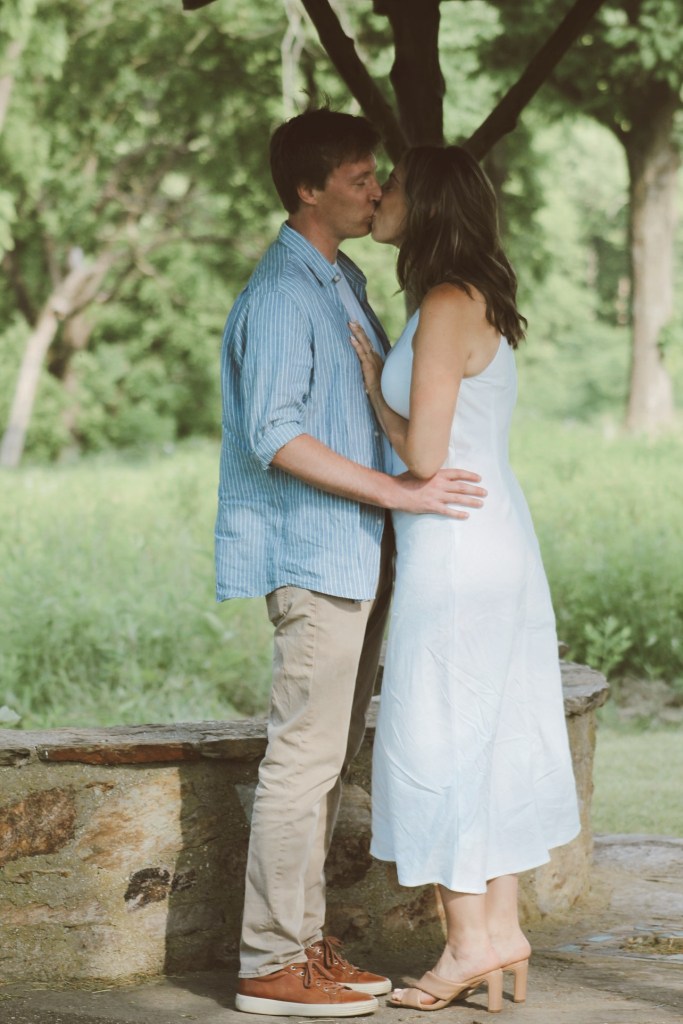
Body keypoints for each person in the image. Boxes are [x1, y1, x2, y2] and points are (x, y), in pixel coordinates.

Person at [214, 111, 487, 1018]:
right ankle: (269, 961)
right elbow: (275, 434)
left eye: (377, 178)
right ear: (309, 189)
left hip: (356, 556)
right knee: (302, 761)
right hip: (315, 554)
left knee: (325, 762)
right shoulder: (282, 295)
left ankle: (302, 946)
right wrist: (400, 492)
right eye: (361, 178)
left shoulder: (341, 279)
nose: (376, 191)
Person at [349, 145, 581, 1013]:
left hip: (456, 544)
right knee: (487, 733)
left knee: (439, 734)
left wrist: (375, 391)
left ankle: (464, 946)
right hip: (488, 535)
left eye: (393, 185)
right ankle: (500, 930)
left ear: (428, 205)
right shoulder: (468, 296)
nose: (379, 195)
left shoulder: (446, 303)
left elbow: (423, 455)